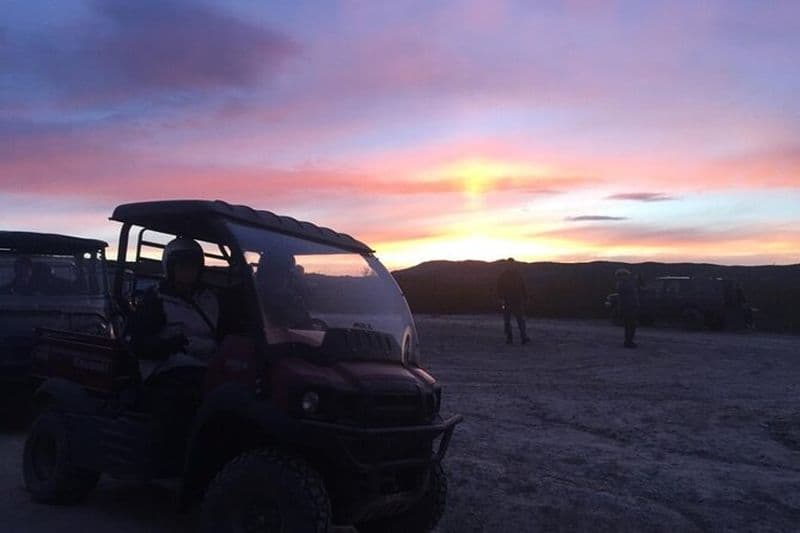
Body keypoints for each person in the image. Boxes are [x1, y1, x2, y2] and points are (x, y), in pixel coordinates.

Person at [127, 237, 219, 468]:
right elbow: (137, 343)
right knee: (188, 397)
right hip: (166, 367)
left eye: (193, 265)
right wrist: (167, 345)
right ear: (170, 267)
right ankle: (168, 461)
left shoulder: (210, 299)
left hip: (207, 364)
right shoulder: (156, 299)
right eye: (182, 265)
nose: (188, 271)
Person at [497, 258, 530, 345]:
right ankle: (514, 337)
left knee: (516, 320)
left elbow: (522, 287)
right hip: (511, 300)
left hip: (514, 300)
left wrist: (525, 297)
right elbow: (500, 288)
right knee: (514, 320)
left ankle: (519, 337)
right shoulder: (512, 275)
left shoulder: (506, 275)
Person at [615, 268, 639, 348]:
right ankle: (628, 342)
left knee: (631, 325)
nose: (627, 276)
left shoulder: (623, 284)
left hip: (629, 306)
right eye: (626, 275)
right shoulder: (622, 284)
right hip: (628, 307)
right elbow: (629, 290)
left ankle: (629, 341)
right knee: (630, 325)